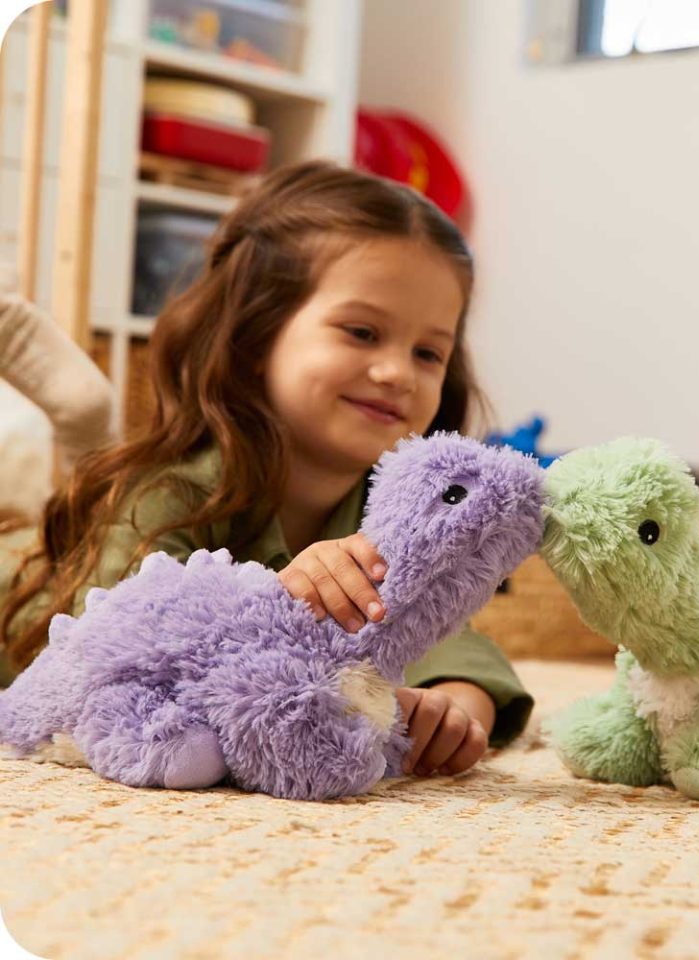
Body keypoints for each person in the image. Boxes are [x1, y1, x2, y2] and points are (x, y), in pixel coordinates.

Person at [0, 160, 533, 780]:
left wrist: (454, 707)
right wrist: (279, 601)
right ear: (256, 339)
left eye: (428, 352)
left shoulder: (392, 515)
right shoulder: (171, 494)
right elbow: (117, 658)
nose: (397, 373)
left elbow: (449, 634)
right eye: (362, 332)